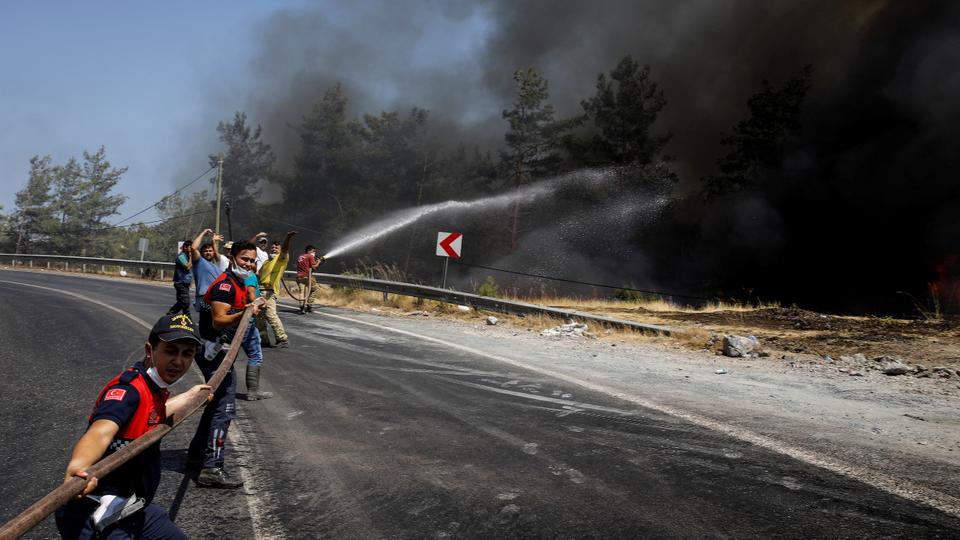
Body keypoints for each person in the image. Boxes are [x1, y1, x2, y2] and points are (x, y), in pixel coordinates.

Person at [54, 314, 210, 540]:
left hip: (131, 507)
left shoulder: (152, 387)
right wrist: (78, 469)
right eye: (170, 351)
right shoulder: (128, 391)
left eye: (187, 354)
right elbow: (100, 432)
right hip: (96, 512)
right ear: (150, 350)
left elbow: (153, 414)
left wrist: (191, 396)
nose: (178, 361)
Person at [187, 240, 263, 488]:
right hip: (212, 350)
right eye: (244, 259)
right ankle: (211, 468)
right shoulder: (225, 286)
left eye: (252, 260)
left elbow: (246, 303)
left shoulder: (240, 282)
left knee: (216, 403)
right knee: (224, 406)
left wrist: (252, 305)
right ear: (232, 257)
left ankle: (196, 455)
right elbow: (219, 320)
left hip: (218, 349)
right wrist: (246, 312)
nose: (249, 264)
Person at [257, 231, 296, 348]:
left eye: (276, 246)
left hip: (268, 291)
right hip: (260, 290)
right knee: (259, 317)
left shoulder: (281, 258)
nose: (274, 248)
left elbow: (284, 249)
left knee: (270, 315)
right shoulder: (267, 261)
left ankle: (282, 339)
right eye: (272, 246)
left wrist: (288, 237)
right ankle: (263, 340)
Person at [189, 229, 226, 312]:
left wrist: (213, 241)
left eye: (210, 251)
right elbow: (193, 248)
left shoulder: (216, 265)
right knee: (206, 322)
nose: (208, 253)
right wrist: (203, 233)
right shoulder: (200, 262)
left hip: (217, 298)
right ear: (201, 253)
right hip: (204, 297)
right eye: (205, 251)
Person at [166, 240, 193, 316]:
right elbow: (188, 267)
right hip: (180, 282)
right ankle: (187, 318)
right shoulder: (181, 256)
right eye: (190, 247)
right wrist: (191, 256)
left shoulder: (187, 256)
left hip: (185, 283)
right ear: (185, 247)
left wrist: (189, 282)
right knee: (185, 302)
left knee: (181, 302)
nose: (191, 249)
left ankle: (170, 314)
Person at [296, 245, 325, 314]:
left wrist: (317, 262)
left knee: (301, 292)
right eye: (313, 251)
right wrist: (319, 262)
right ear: (309, 251)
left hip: (299, 276)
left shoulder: (301, 256)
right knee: (314, 289)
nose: (314, 253)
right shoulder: (310, 256)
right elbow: (314, 267)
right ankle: (309, 305)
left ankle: (302, 307)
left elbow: (307, 265)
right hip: (307, 276)